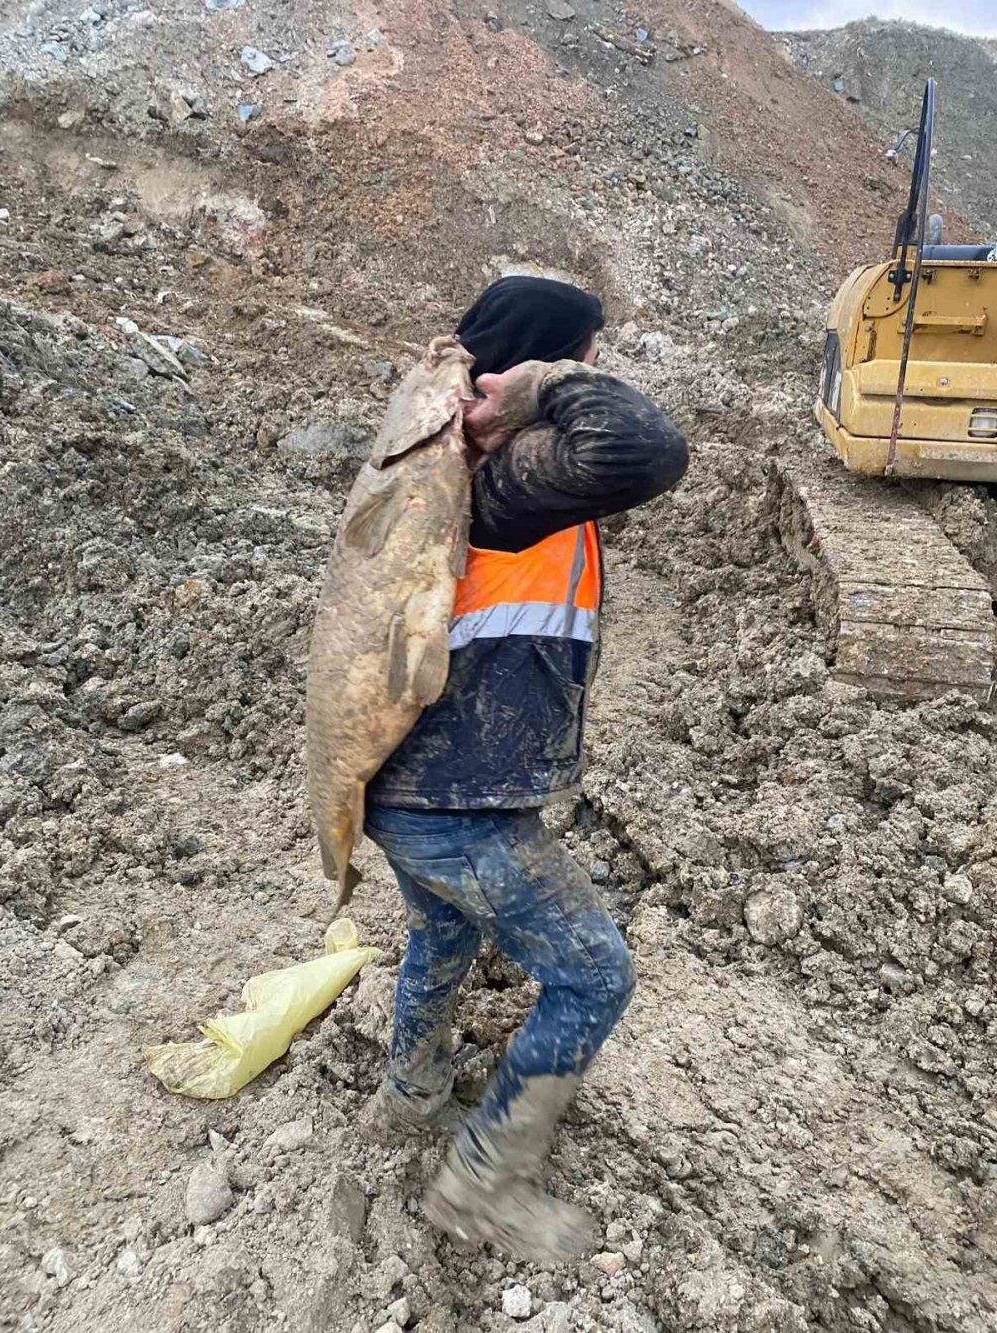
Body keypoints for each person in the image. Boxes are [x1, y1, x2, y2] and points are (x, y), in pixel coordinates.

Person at [363, 276, 688, 1261]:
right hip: (456, 799)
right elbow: (647, 448)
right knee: (594, 974)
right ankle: (482, 1181)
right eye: (583, 355)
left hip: (412, 788)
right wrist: (543, 386)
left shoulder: (445, 467)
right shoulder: (505, 478)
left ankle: (411, 1092)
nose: (591, 373)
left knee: (443, 932)